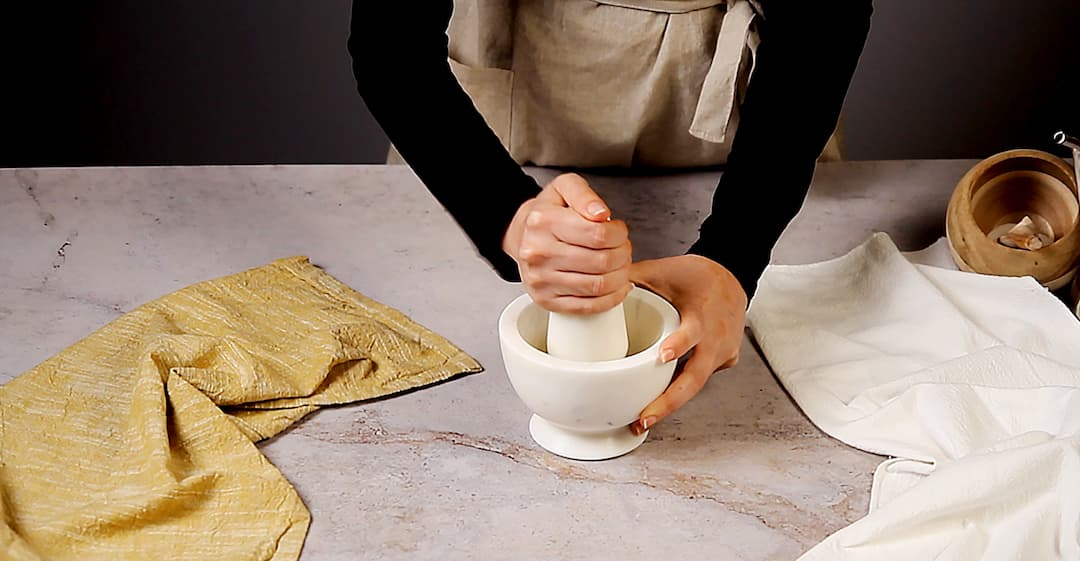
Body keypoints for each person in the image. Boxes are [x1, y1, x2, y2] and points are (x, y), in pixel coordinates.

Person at [348, 0, 872, 435]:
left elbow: (826, 16)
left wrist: (735, 253)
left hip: (755, 131)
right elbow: (389, 46)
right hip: (498, 134)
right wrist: (504, 211)